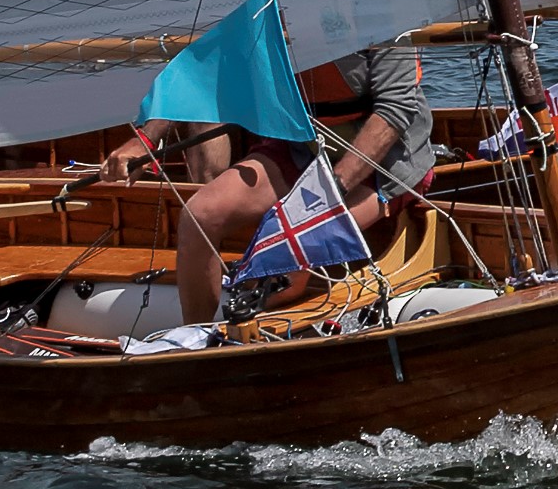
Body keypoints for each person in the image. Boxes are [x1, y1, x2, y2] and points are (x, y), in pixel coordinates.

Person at [112, 43, 435, 327]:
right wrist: (145, 139)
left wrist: (330, 191)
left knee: (291, 256)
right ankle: (194, 338)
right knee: (202, 214)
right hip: (300, 149)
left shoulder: (381, 17)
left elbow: (395, 109)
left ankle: (257, 336)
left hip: (386, 164)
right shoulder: (263, 12)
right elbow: (198, 72)